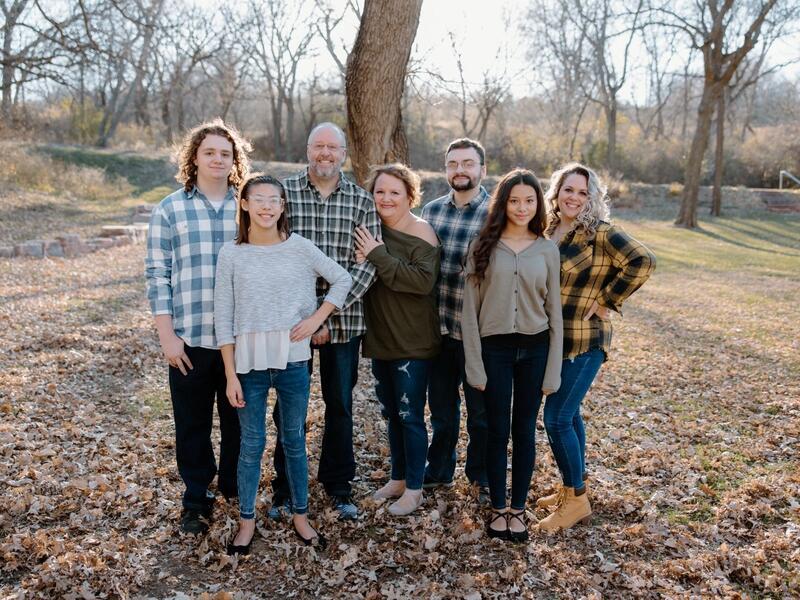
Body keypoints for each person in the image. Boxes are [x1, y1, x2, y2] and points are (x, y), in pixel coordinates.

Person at [214, 174, 351, 554]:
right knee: (251, 444)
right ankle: (246, 522)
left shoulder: (300, 248)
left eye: (274, 199)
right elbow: (223, 318)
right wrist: (229, 375)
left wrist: (317, 319)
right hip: (248, 364)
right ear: (244, 204)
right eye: (258, 199)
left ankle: (301, 517)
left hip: (292, 361)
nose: (267, 206)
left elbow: (342, 279)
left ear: (283, 206)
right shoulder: (232, 254)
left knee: (293, 440)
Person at [145, 118, 250, 534]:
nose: (218, 159)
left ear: (234, 160)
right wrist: (166, 336)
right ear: (194, 157)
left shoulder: (247, 205)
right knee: (191, 424)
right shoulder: (171, 208)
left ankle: (232, 489)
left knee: (238, 421)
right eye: (209, 152)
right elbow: (157, 274)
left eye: (225, 153)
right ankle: (195, 499)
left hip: (238, 340)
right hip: (188, 338)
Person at [270, 122, 380, 521]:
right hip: (290, 323)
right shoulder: (283, 194)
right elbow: (272, 258)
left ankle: (338, 486)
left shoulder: (361, 201)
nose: (326, 154)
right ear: (307, 149)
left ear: (344, 154)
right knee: (287, 408)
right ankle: (284, 489)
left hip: (343, 322)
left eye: (333, 147)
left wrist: (325, 315)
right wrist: (305, 319)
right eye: (319, 146)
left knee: (340, 406)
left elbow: (367, 268)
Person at [537, 163, 655, 533]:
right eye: (567, 189)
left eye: (582, 192)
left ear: (592, 198)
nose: (573, 197)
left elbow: (643, 260)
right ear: (556, 192)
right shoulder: (547, 231)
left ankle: (575, 501)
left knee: (556, 417)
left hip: (586, 339)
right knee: (569, 416)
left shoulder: (600, 233)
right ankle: (574, 487)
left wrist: (608, 300)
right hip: (554, 340)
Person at [462, 168, 563, 542]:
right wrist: (474, 364)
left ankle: (518, 509)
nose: (522, 207)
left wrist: (553, 371)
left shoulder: (547, 249)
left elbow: (555, 314)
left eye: (529, 200)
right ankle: (498, 507)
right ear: (503, 203)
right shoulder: (483, 246)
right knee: (495, 430)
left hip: (535, 350)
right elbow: (469, 313)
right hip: (495, 351)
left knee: (523, 431)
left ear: (538, 204)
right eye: (514, 200)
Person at [353, 164, 441, 517]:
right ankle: (399, 478)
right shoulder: (369, 230)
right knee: (392, 413)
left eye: (394, 192)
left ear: (409, 196)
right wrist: (372, 252)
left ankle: (416, 489)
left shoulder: (423, 232)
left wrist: (377, 255)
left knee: (410, 415)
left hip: (413, 341)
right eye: (380, 192)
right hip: (382, 336)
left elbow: (420, 282)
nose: (386, 199)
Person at [420, 138, 491, 500]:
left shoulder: (498, 213)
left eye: (467, 163)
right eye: (452, 164)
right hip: (440, 328)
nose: (459, 170)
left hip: (479, 335)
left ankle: (480, 476)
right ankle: (439, 470)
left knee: (482, 413)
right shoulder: (430, 212)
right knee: (443, 410)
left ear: (482, 169)